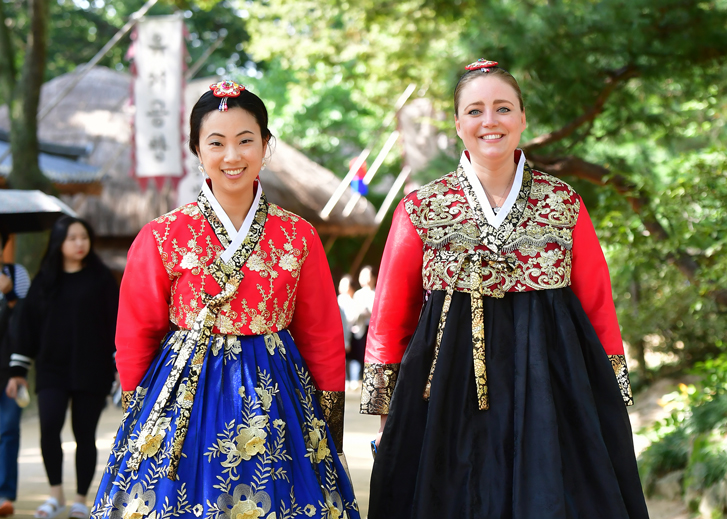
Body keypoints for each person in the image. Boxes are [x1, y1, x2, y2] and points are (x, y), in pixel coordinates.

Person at [360, 59, 650, 518]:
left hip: (553, 383)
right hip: (447, 390)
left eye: (502, 108)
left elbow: (598, 307)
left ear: (522, 119)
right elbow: (390, 319)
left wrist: (611, 403)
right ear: (457, 124)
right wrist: (387, 414)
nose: (489, 121)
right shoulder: (420, 207)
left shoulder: (563, 202)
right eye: (475, 111)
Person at [91, 80, 359, 519]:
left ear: (266, 146)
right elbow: (137, 333)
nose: (232, 156)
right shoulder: (161, 236)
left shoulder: (298, 236)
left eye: (245, 141)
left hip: (276, 396)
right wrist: (139, 415)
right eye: (216, 143)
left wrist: (328, 427)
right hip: (182, 397)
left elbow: (321, 335)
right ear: (198, 151)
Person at [6, 217, 118, 519]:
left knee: (85, 434)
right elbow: (26, 328)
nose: (80, 243)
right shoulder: (45, 281)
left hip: (92, 371)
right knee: (49, 429)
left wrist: (119, 367)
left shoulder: (102, 280)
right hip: (52, 370)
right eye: (72, 238)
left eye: (84, 237)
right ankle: (55, 495)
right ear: (59, 243)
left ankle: (81, 498)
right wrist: (18, 372)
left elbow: (116, 328)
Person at [0, 231, 31, 518]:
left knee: (8, 430)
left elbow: (28, 319)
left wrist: (9, 293)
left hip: (9, 369)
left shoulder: (16, 274)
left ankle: (4, 494)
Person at [349, 267, 375, 390]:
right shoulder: (358, 294)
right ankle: (356, 379)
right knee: (359, 353)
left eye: (367, 275)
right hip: (360, 328)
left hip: (373, 328)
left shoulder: (377, 292)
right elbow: (353, 312)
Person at [337, 275, 359, 389]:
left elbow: (351, 319)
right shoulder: (338, 301)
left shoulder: (352, 301)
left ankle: (353, 380)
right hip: (341, 334)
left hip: (351, 334)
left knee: (352, 359)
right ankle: (344, 380)